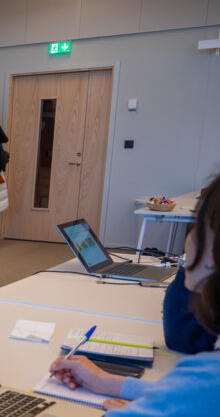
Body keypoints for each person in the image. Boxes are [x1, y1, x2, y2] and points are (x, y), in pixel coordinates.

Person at [49, 173, 220, 414]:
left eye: (196, 226)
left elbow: (196, 392)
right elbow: (190, 395)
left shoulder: (208, 376)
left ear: (211, 253)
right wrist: (112, 383)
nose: (188, 238)